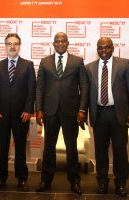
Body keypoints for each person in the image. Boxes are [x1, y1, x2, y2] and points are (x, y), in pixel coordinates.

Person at [35, 32, 88, 195]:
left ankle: (74, 181)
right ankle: (46, 179)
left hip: (71, 111)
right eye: (57, 41)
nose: (60, 43)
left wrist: (82, 109)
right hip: (50, 110)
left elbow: (84, 87)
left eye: (63, 41)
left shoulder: (77, 61)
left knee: (71, 147)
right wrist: (39, 109)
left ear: (67, 43)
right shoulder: (44, 62)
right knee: (49, 147)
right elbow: (40, 87)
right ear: (53, 43)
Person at [86, 37, 129, 197]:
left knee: (120, 150)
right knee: (100, 150)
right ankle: (102, 181)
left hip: (118, 114)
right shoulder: (89, 68)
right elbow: (86, 94)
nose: (103, 51)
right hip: (99, 113)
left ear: (112, 48)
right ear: (97, 49)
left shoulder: (124, 64)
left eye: (107, 47)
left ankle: (121, 183)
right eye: (100, 48)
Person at [0, 33, 36, 192]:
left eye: (15, 43)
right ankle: (1, 178)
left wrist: (29, 110)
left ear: (19, 45)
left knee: (21, 148)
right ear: (5, 46)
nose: (12, 46)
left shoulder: (28, 65)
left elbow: (32, 90)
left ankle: (22, 179)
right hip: (1, 115)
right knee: (2, 148)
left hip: (21, 115)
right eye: (9, 43)